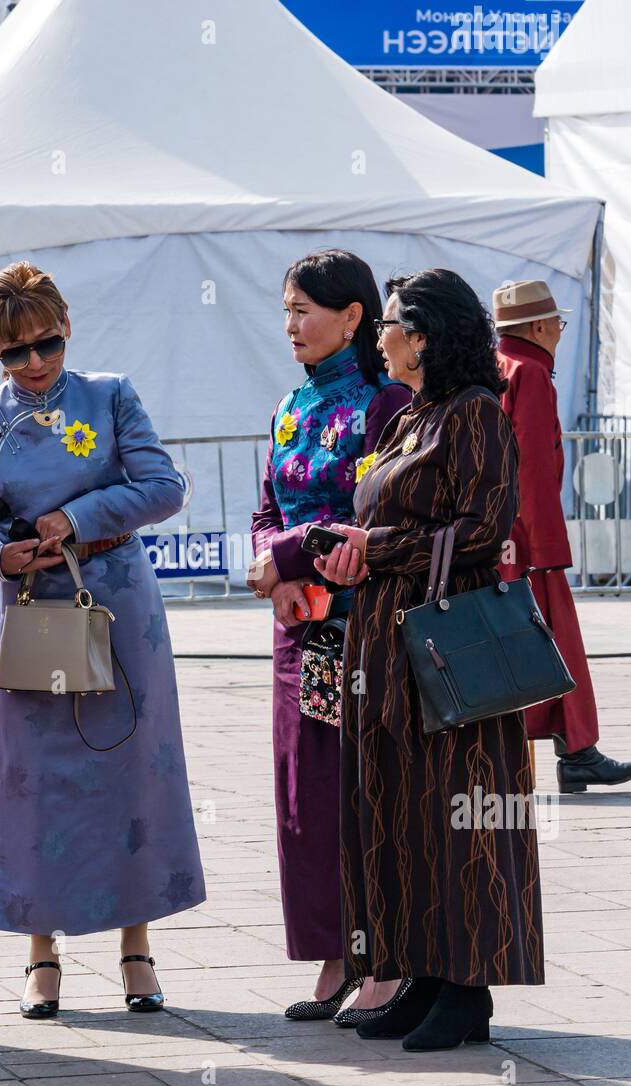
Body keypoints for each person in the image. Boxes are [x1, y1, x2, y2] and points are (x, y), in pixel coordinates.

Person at [0, 262, 205, 1020]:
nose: (36, 363)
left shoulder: (111, 396)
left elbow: (165, 487)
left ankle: (136, 946)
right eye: (15, 352)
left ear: (67, 326)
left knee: (129, 773)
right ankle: (39, 952)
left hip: (117, 607)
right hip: (24, 615)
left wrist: (78, 516)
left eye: (45, 342)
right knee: (32, 783)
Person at [313, 269, 544, 1051]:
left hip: (447, 643)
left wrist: (376, 548)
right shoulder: (406, 417)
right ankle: (418, 970)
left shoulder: (476, 413)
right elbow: (385, 522)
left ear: (424, 336)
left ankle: (466, 987)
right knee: (399, 808)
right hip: (384, 638)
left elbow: (484, 527)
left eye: (389, 324)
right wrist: (350, 556)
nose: (378, 335)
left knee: (460, 809)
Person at [249, 250, 410, 1025]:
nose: (291, 325)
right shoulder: (288, 405)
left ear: (353, 316)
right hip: (298, 633)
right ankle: (333, 948)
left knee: (363, 788)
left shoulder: (384, 406)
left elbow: (372, 519)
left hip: (361, 629)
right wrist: (278, 574)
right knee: (304, 797)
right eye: (285, 309)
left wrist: (285, 557)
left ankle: (384, 947)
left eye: (305, 309)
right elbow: (267, 507)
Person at [491, 280, 631, 793]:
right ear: (537, 327)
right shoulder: (531, 373)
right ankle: (577, 751)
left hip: (501, 535)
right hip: (528, 540)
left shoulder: (498, 367)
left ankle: (573, 748)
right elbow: (532, 468)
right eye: (556, 321)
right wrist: (547, 549)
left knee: (527, 645)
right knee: (557, 646)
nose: (560, 328)